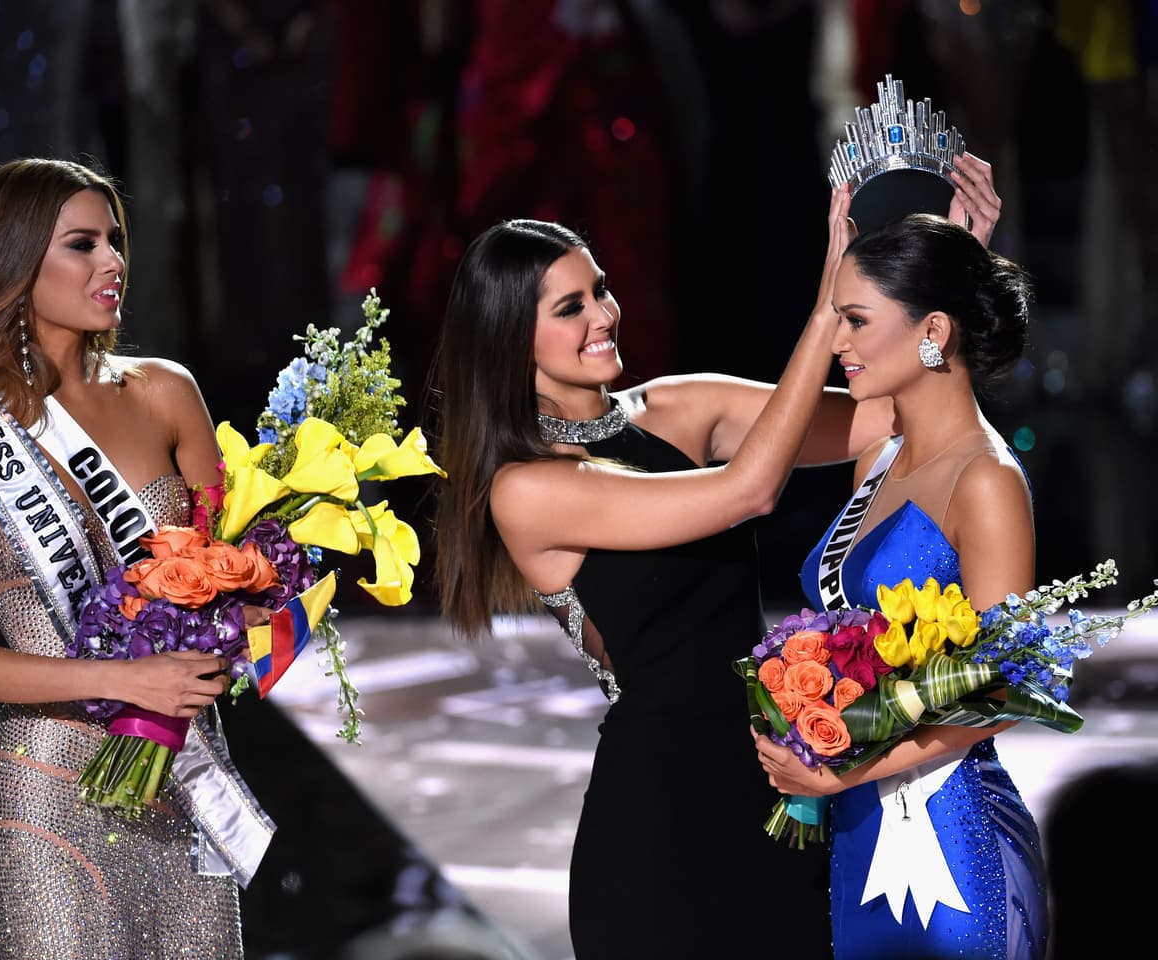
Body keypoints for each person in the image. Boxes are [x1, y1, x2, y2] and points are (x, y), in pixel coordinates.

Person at [426, 148, 997, 958]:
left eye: (602, 290)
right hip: (660, 823)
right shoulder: (527, 489)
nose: (603, 316)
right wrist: (826, 307)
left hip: (777, 789)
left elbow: (888, 419)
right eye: (570, 307)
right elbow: (748, 491)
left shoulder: (674, 408)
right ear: (511, 336)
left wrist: (947, 290)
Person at [0, 158, 271, 958]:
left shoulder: (166, 391)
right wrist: (124, 679)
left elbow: (236, 574)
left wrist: (264, 610)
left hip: (184, 782)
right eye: (83, 244)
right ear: (15, 262)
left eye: (115, 239)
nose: (113, 262)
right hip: (49, 796)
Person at [754, 212, 1049, 958]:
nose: (838, 341)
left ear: (933, 331)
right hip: (859, 828)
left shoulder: (985, 481)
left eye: (854, 320)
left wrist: (847, 763)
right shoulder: (880, 460)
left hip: (954, 844)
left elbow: (1006, 693)